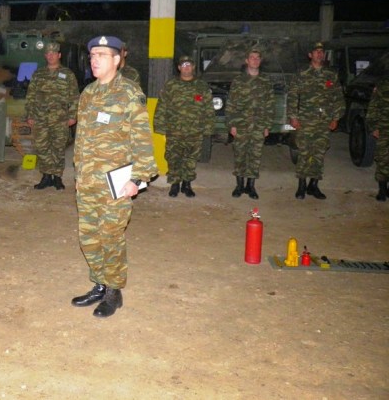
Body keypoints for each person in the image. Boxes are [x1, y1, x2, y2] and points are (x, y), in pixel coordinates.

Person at [72, 35, 157, 318]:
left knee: (111, 237)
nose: (94, 60)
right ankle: (99, 283)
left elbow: (142, 139)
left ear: (117, 60)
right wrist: (78, 174)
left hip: (116, 183)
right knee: (89, 237)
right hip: (88, 181)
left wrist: (139, 179)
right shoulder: (88, 93)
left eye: (101, 55)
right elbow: (81, 139)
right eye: (92, 55)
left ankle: (113, 292)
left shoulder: (129, 93)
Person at [287, 41, 345, 200]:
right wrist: (293, 116)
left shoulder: (331, 74)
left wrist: (336, 117)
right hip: (305, 120)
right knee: (304, 152)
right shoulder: (302, 73)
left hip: (324, 121)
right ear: (310, 55)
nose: (320, 54)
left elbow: (338, 97)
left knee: (319, 153)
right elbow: (293, 95)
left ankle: (314, 185)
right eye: (316, 51)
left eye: (322, 51)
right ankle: (301, 185)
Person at [154, 55, 215, 198]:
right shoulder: (171, 85)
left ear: (193, 67)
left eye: (189, 65)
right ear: (179, 68)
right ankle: (175, 184)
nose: (186, 67)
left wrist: (208, 128)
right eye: (183, 65)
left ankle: (187, 184)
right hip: (174, 130)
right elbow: (162, 106)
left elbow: (208, 108)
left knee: (191, 158)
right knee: (173, 157)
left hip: (195, 131)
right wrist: (160, 125)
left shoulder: (201, 86)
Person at [25, 41, 79, 190]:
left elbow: (74, 96)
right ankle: (46, 176)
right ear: (45, 55)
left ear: (59, 55)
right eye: (48, 53)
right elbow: (30, 96)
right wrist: (30, 114)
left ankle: (57, 177)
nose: (50, 56)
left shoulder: (68, 74)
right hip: (40, 117)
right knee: (42, 147)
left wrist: (73, 115)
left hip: (60, 118)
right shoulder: (38, 74)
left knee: (58, 148)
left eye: (53, 53)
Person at [225, 49, 275, 199]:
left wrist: (267, 125)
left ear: (260, 60)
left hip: (259, 125)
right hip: (241, 124)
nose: (255, 60)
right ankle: (239, 185)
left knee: (255, 156)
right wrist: (232, 124)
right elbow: (231, 103)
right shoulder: (238, 80)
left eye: (257, 58)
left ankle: (251, 186)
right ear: (246, 61)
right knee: (240, 154)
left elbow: (270, 104)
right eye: (252, 58)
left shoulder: (266, 81)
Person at [367, 76, 389, 201]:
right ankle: (382, 188)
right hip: (384, 128)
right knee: (383, 158)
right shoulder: (383, 85)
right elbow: (373, 108)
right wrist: (374, 127)